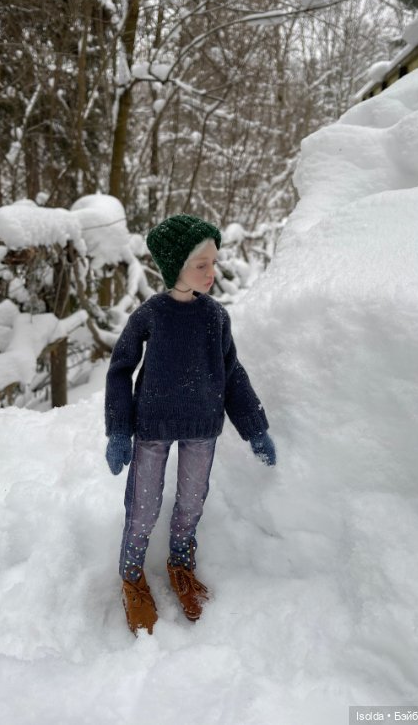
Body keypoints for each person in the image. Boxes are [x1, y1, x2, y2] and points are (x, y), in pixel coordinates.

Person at [104, 214, 276, 635]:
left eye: (213, 263)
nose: (211, 272)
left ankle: (181, 565)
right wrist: (120, 429)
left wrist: (254, 427)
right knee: (143, 507)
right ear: (175, 265)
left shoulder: (215, 316)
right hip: (153, 427)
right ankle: (131, 576)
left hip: (203, 426)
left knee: (191, 503)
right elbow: (120, 368)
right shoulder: (151, 315)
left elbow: (232, 373)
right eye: (201, 264)